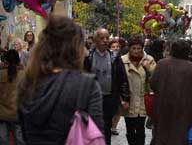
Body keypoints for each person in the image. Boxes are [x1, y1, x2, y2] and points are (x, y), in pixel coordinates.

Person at [17, 15, 104, 145]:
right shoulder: (86, 85)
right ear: (76, 47)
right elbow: (96, 134)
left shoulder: (27, 83)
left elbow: (24, 133)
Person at [150, 39, 192, 145]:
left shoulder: (162, 63)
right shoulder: (191, 67)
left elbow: (153, 83)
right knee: (179, 135)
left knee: (162, 134)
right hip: (184, 108)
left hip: (162, 106)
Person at [84, 28, 130, 145]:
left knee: (106, 128)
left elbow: (122, 78)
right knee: (92, 128)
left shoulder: (114, 57)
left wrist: (125, 98)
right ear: (95, 40)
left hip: (109, 98)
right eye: (101, 38)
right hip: (91, 99)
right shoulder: (88, 57)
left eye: (107, 38)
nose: (105, 41)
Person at [121, 35, 156, 145]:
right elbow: (118, 81)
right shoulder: (122, 61)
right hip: (128, 101)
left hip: (143, 101)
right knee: (130, 131)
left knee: (141, 131)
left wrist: (148, 68)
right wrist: (121, 99)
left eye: (139, 48)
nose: (136, 51)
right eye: (133, 48)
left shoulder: (149, 60)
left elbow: (156, 79)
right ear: (129, 48)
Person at [0, 50, 25, 145]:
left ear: (5, 60)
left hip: (2, 114)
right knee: (20, 141)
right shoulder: (24, 74)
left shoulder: (1, 74)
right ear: (18, 60)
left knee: (3, 141)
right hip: (18, 114)